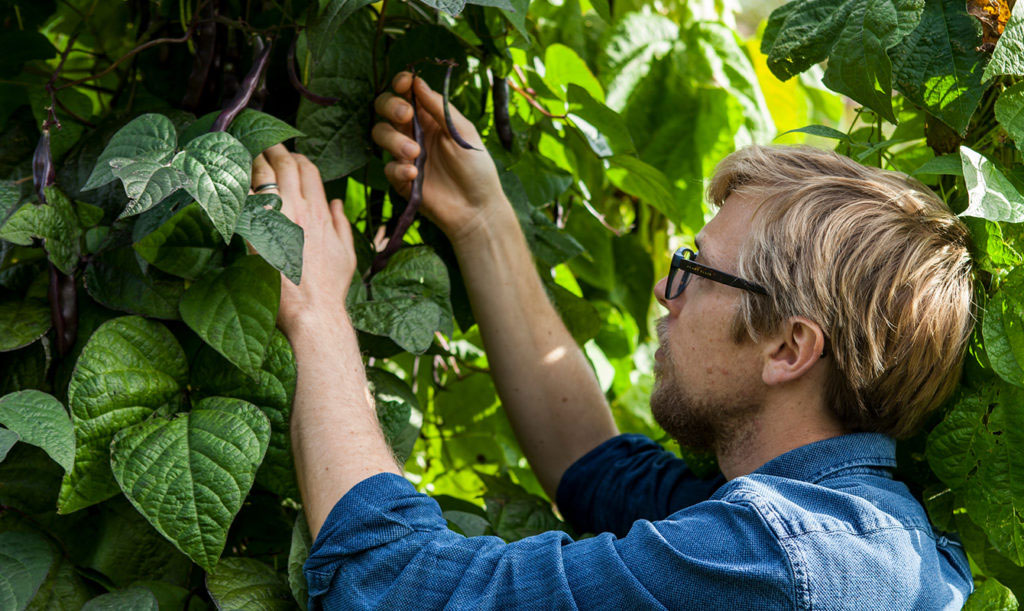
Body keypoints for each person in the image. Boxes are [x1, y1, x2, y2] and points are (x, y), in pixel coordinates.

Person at [250, 71, 976, 609]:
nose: (667, 290)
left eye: (696, 269)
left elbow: (395, 585)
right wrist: (484, 220)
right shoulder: (858, 531)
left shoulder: (779, 562)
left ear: (790, 349)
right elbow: (593, 469)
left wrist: (314, 307)